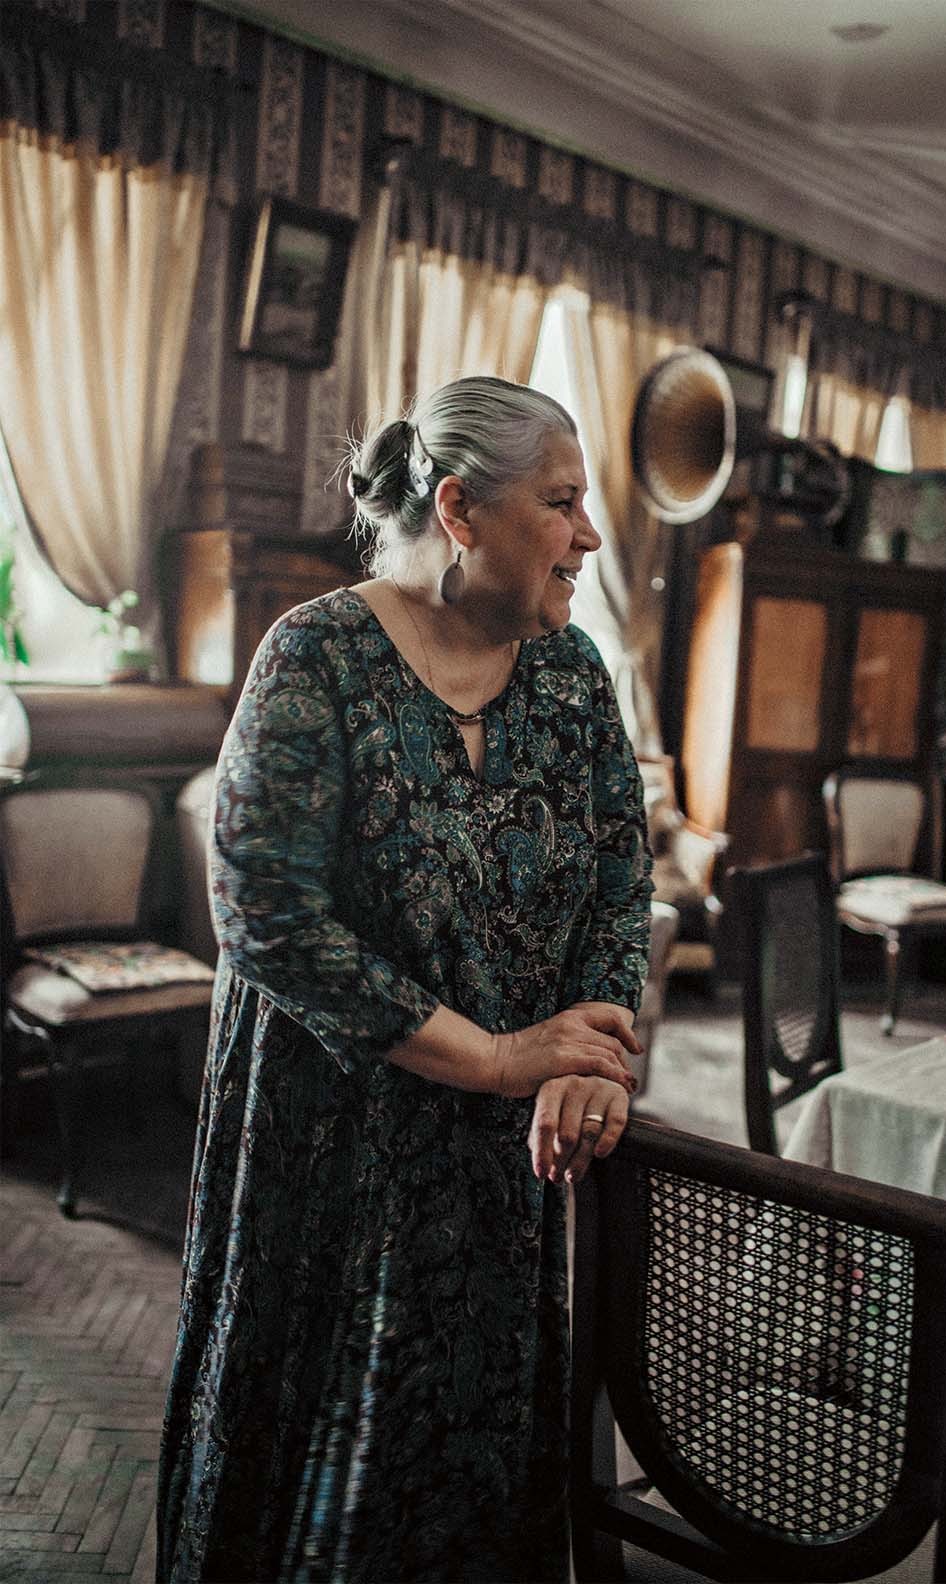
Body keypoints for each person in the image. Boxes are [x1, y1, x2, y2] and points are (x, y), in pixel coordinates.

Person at [156, 375, 653, 1583]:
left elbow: (619, 885)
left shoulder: (573, 674)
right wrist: (497, 1058)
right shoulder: (315, 656)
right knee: (322, 1472)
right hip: (330, 1147)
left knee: (472, 1458)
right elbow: (265, 916)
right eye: (562, 503)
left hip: (504, 1165)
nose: (589, 535)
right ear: (460, 510)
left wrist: (592, 1057)